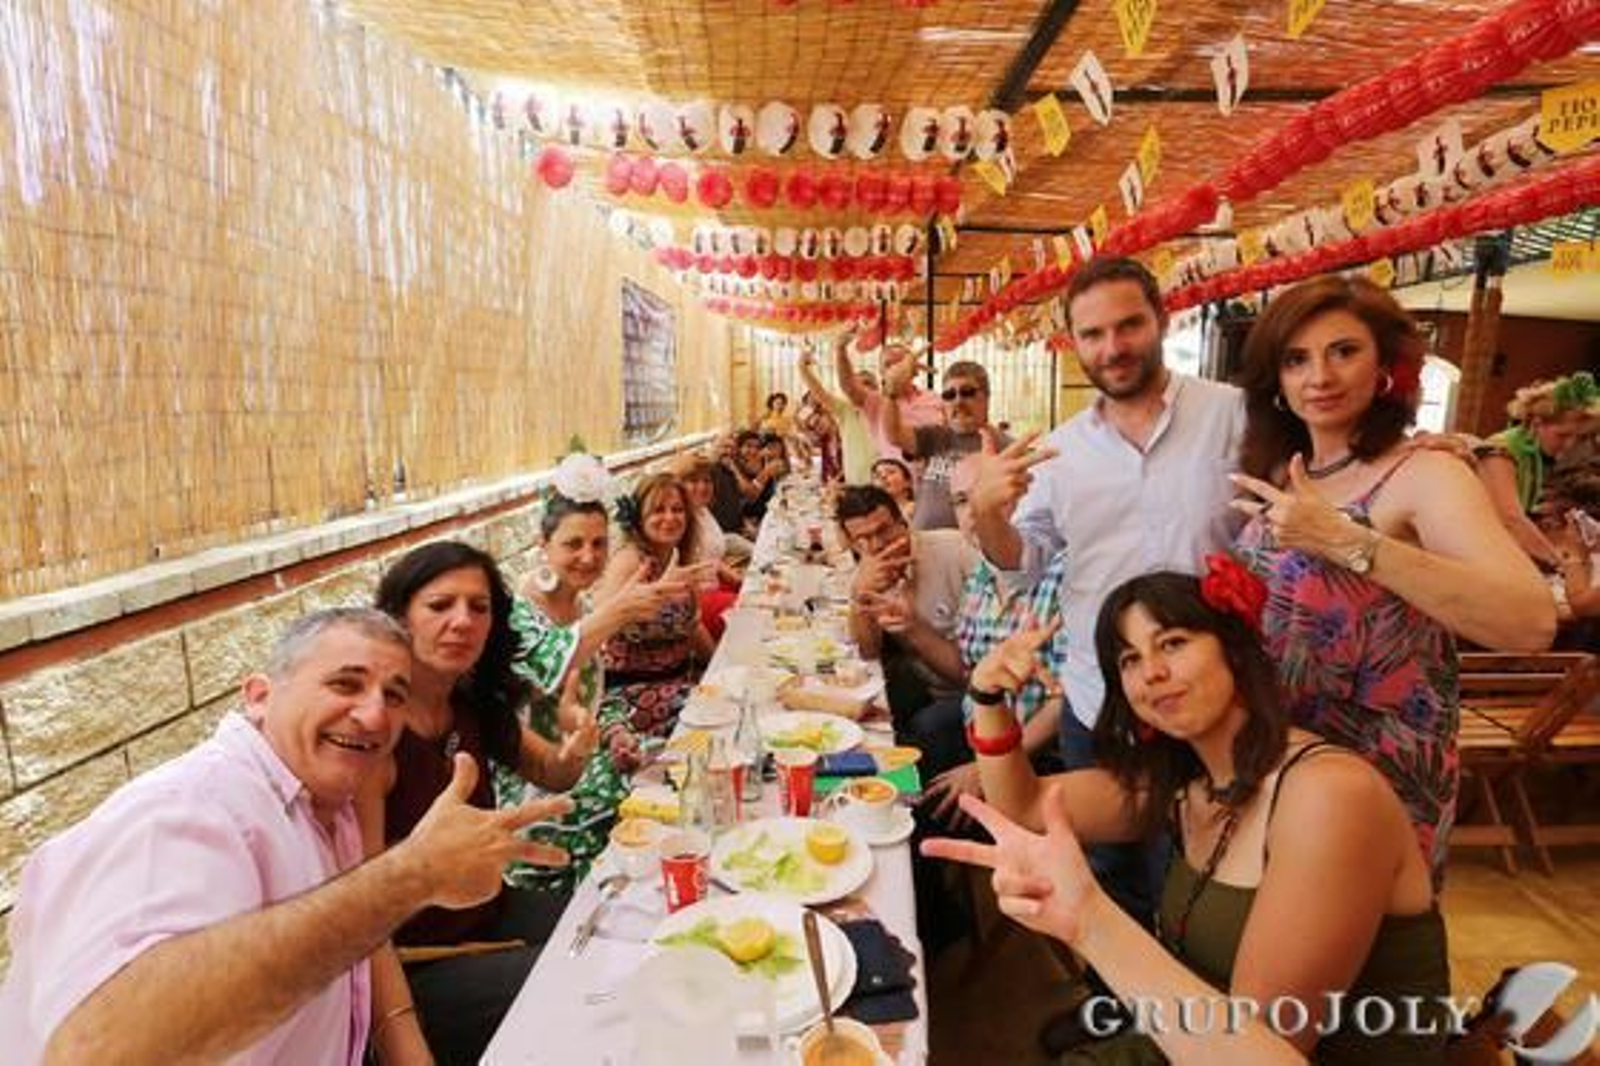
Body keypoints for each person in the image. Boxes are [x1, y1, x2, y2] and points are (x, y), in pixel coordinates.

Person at [925, 561, 1449, 1064]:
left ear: (1236, 653)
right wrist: (987, 698)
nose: (1151, 673)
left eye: (1172, 643)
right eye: (1129, 659)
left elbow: (1258, 1050)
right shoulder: (1185, 784)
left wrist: (1091, 918)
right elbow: (1026, 805)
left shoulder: (1330, 794)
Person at [0, 608, 572, 1064]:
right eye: (345, 684)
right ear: (259, 695)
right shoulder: (188, 811)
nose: (373, 716)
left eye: (394, 696)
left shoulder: (327, 802)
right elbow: (97, 1051)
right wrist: (412, 875)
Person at [1230, 275, 1555, 885]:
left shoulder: (1425, 473)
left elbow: (1530, 621)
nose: (1319, 376)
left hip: (1376, 772)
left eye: (1344, 351)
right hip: (1277, 758)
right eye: (1296, 359)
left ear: (1386, 366)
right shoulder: (1281, 469)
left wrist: (1349, 542)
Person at [362, 541, 600, 1064]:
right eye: (440, 605)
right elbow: (361, 900)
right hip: (418, 966)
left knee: (616, 923)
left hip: (491, 909)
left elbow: (551, 772)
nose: (463, 621)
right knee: (587, 983)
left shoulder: (470, 700)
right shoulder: (375, 731)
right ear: (398, 616)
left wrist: (578, 749)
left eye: (479, 606)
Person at [502, 454, 696, 892]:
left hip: (586, 759)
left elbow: (590, 697)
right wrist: (620, 611)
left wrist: (615, 734)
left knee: (683, 769)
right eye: (573, 544)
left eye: (598, 543)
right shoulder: (518, 613)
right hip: (535, 788)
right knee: (655, 814)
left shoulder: (583, 605)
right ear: (544, 546)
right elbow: (551, 664)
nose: (589, 557)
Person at [839, 483, 977, 779]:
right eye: (863, 539)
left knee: (926, 727)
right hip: (922, 683)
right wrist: (860, 597)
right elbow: (868, 652)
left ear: (904, 521)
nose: (876, 545)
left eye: (884, 530)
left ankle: (923, 806)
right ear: (852, 545)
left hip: (970, 692)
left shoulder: (955, 551)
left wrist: (914, 628)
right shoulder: (867, 574)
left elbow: (970, 674)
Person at [597, 472, 716, 737]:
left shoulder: (678, 558)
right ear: (639, 518)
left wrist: (720, 663)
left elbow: (693, 627)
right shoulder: (629, 562)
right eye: (658, 510)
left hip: (680, 682)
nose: (670, 518)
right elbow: (602, 624)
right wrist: (657, 595)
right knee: (716, 712)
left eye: (678, 510)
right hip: (632, 694)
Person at [1477, 371, 1600, 568]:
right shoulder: (1499, 450)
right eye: (1563, 435)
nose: (1569, 445)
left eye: (1578, 438)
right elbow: (1512, 520)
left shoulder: (1536, 454)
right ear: (1536, 424)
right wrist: (1563, 566)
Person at [883, 358, 1010, 531]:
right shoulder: (936, 436)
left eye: (967, 392)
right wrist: (891, 393)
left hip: (974, 549)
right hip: (926, 545)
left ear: (986, 397)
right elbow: (894, 434)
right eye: (949, 395)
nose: (958, 401)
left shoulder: (1005, 446)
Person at [831, 331, 944, 462]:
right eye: (888, 365)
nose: (895, 369)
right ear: (881, 372)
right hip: (892, 479)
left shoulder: (934, 397)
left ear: (915, 371)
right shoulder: (876, 401)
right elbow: (849, 387)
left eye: (900, 363)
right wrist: (840, 350)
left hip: (936, 479)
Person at [799, 339, 879, 483]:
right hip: (855, 484)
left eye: (868, 383)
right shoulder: (845, 410)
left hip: (884, 484)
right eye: (858, 384)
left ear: (878, 388)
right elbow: (819, 392)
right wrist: (803, 368)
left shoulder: (887, 409)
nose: (863, 389)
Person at [871, 456, 917, 523]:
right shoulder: (872, 518)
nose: (883, 476)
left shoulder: (918, 510)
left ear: (908, 482)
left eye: (891, 472)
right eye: (877, 475)